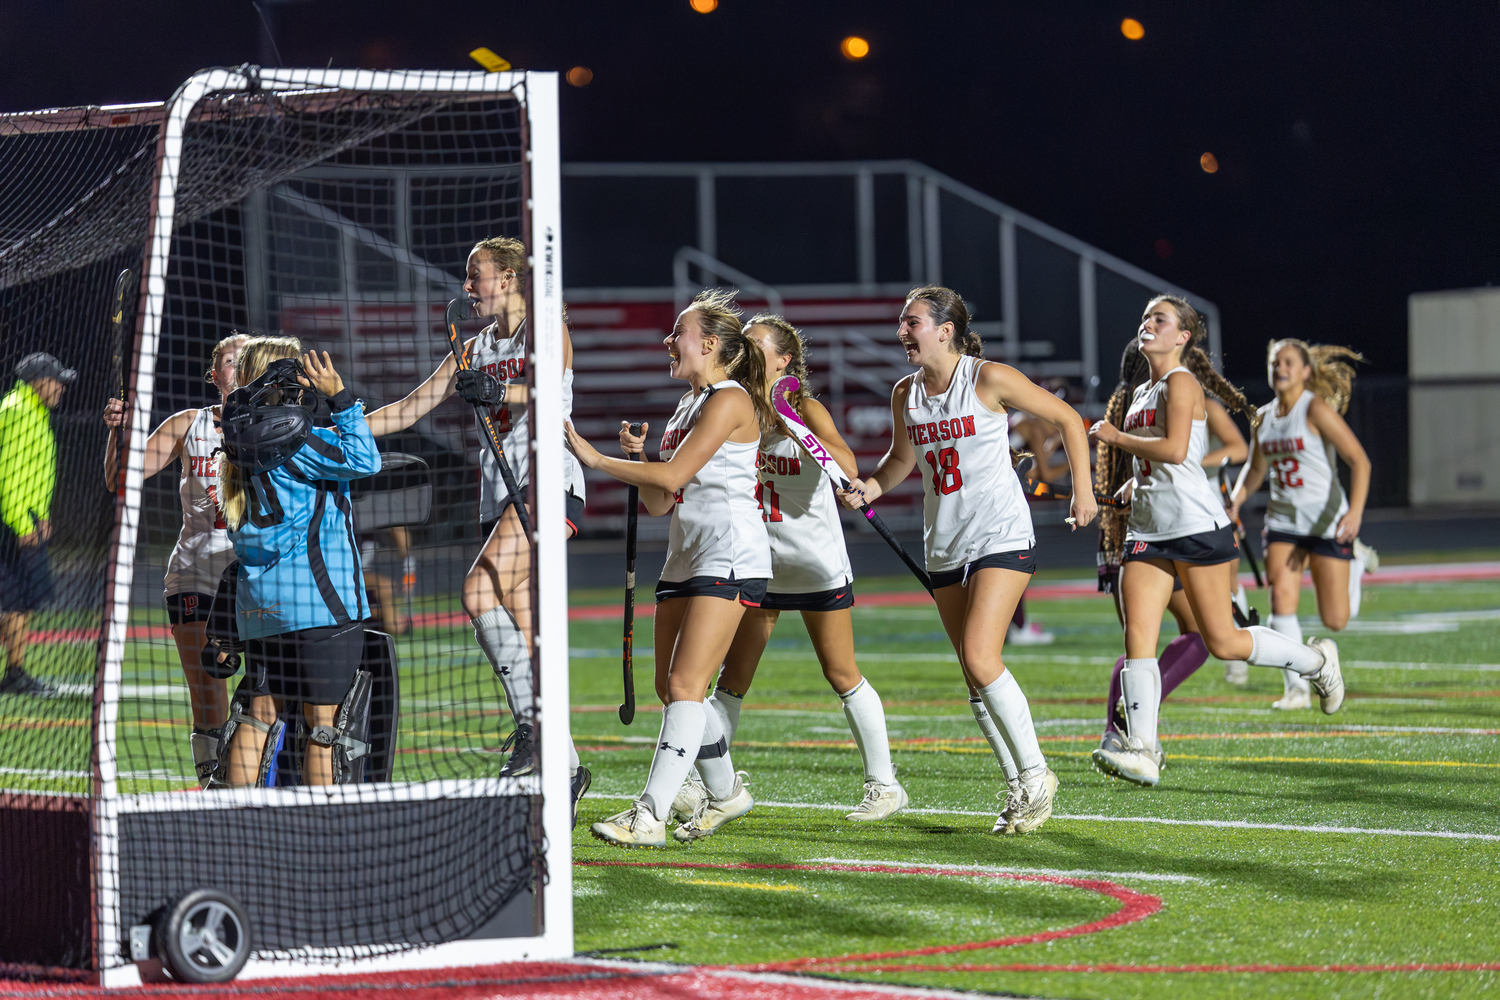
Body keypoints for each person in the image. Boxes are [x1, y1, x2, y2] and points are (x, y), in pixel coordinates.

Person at [838, 286, 1097, 835]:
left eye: (912, 323)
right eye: (902, 323)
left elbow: (1070, 420)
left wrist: (1084, 492)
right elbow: (901, 459)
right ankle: (1018, 787)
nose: (902, 332)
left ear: (945, 329)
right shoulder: (904, 393)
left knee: (982, 656)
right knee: (972, 676)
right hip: (945, 544)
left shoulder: (987, 378)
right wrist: (870, 487)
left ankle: (1037, 774)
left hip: (999, 535)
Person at [651, 314, 906, 824]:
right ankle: (706, 785)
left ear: (785, 361)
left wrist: (794, 421)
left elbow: (847, 468)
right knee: (729, 679)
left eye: (755, 346)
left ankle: (884, 784)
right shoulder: (729, 404)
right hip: (753, 559)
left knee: (841, 672)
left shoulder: (803, 406)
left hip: (810, 558)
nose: (744, 352)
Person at [364, 237, 589, 812]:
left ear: (511, 277)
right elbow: (408, 409)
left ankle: (535, 733)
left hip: (545, 485)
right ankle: (566, 765)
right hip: (502, 495)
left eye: (476, 276)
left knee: (476, 589)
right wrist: (341, 423)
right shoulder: (473, 347)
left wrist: (498, 390)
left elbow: (545, 394)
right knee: (527, 634)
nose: (466, 288)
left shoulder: (544, 328)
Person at [1088, 296, 1346, 788]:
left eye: (1158, 319)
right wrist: (1131, 482)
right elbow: (1159, 461)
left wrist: (1117, 440)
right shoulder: (1143, 391)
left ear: (1182, 337)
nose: (1147, 324)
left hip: (1194, 528)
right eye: (1144, 317)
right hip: (1147, 531)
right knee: (1138, 640)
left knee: (1223, 641)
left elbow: (1175, 449)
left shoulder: (1182, 382)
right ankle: (1143, 749)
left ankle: (1316, 661)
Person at [564, 290, 772, 847]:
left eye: (678, 332)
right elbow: (661, 501)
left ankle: (649, 814)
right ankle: (727, 795)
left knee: (685, 683)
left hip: (729, 553)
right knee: (670, 686)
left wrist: (596, 459)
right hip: (686, 555)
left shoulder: (730, 399)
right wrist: (636, 459)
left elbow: (673, 478)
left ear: (709, 344)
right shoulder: (688, 405)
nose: (667, 341)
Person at [213, 337, 379, 786]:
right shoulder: (300, 440)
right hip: (320, 605)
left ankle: (235, 826)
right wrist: (341, 398)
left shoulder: (232, 445)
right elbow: (366, 460)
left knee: (258, 716)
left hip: (261, 609)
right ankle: (319, 842)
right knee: (323, 730)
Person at [102, 333, 248, 783]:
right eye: (229, 359)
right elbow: (120, 479)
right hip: (196, 573)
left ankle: (259, 774)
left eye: (246, 358)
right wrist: (117, 432)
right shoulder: (190, 424)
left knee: (268, 682)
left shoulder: (276, 423)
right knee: (207, 689)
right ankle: (212, 783)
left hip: (255, 571)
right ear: (214, 375)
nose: (238, 365)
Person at [1231, 339, 1375, 710]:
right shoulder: (1261, 417)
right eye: (1275, 362)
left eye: (1289, 362)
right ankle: (1296, 688)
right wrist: (1234, 502)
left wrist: (1355, 513)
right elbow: (1256, 468)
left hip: (1327, 521)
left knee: (1336, 620)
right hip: (1283, 522)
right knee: (1281, 599)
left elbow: (1359, 461)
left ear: (1306, 371)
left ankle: (1355, 562)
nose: (1280, 368)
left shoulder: (1315, 409)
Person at [1093, 341, 1211, 770]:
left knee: (1138, 644)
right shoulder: (1158, 397)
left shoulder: (1122, 404)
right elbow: (1173, 459)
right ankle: (1130, 730)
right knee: (1196, 634)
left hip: (1121, 533)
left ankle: (1119, 731)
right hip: (1158, 531)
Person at [0, 353, 75, 698]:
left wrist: (41, 514)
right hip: (11, 522)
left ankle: (15, 672)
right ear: (38, 381)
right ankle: (14, 673)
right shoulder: (17, 411)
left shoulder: (34, 412)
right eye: (56, 380)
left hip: (24, 517)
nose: (61, 387)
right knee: (16, 599)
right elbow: (7, 475)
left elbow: (35, 471)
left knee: (20, 600)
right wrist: (21, 522)